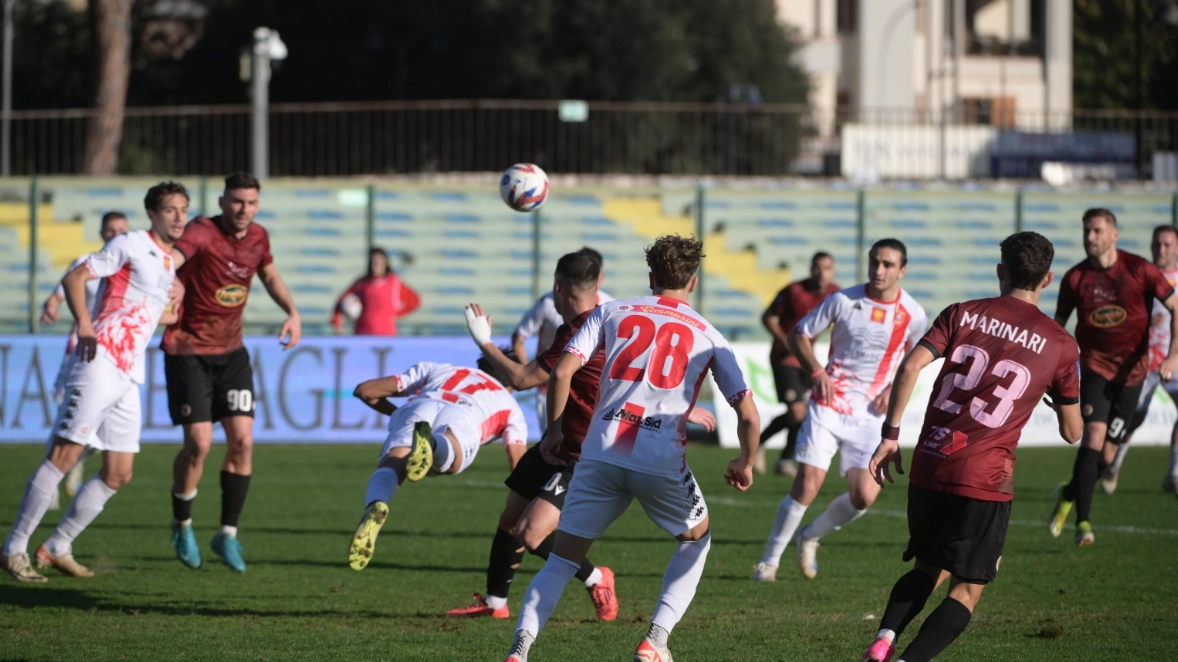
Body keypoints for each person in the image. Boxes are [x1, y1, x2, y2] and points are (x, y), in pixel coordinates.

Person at [501, 235, 761, 662]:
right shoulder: (710, 336)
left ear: (651, 276)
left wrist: (552, 432)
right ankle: (655, 641)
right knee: (696, 540)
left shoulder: (611, 310)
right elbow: (749, 416)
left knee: (562, 560)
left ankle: (519, 650)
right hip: (658, 457)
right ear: (693, 282)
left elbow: (563, 371)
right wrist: (745, 462)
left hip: (599, 451)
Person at [860, 231, 1083, 662]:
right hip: (983, 476)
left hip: (930, 462)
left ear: (1001, 271)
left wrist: (890, 436)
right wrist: (1058, 403)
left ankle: (884, 639)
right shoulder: (1060, 344)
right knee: (968, 585)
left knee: (927, 566)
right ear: (1048, 279)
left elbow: (911, 366)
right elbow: (1073, 433)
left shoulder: (963, 312)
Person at [2, 181, 187, 583]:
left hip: (128, 372)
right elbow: (74, 277)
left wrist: (186, 305)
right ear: (153, 213)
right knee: (66, 455)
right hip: (99, 359)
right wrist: (84, 324)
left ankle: (57, 546)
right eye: (170, 209)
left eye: (183, 210)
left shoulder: (168, 263)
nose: (178, 217)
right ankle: (14, 547)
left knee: (119, 472)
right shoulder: (129, 243)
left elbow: (152, 315)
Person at [449, 250, 619, 621]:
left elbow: (523, 379)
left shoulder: (580, 331)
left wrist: (485, 343)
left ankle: (595, 577)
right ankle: (494, 604)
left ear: (558, 288)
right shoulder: (610, 323)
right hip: (552, 445)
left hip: (580, 454)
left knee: (530, 533)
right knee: (510, 517)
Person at [754, 239, 926, 582]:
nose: (879, 270)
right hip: (829, 404)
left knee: (863, 496)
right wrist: (818, 372)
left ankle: (810, 536)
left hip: (871, 415)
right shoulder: (843, 299)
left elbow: (915, 362)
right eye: (874, 262)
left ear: (902, 271)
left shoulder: (914, 314)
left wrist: (892, 388)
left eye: (888, 264)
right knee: (806, 486)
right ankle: (768, 563)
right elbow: (798, 335)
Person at [164, 172, 302, 573]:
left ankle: (227, 534)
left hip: (232, 353)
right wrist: (167, 277)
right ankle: (182, 523)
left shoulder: (259, 237)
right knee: (200, 445)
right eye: (237, 202)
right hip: (187, 349)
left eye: (251, 203)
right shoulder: (202, 231)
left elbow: (270, 274)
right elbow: (174, 258)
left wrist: (291, 312)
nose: (244, 210)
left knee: (242, 441)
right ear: (223, 201)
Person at [1048, 209, 1178, 546]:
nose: (1089, 237)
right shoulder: (1075, 278)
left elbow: (1177, 307)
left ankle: (1067, 493)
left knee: (1106, 458)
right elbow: (1057, 328)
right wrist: (1047, 372)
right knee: (1092, 438)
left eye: (1096, 230)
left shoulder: (1140, 270)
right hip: (1093, 368)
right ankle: (1083, 524)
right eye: (1086, 231)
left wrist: (1175, 354)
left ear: (1114, 235)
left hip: (1133, 374)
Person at [347, 359, 529, 570]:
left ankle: (375, 504)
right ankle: (433, 444)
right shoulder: (509, 404)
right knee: (452, 459)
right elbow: (519, 466)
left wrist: (398, 415)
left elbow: (365, 390)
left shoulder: (439, 369)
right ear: (512, 384)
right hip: (465, 416)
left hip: (420, 407)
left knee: (393, 463)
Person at [39, 211, 132, 508]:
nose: (116, 234)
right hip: (81, 351)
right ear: (102, 233)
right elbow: (57, 295)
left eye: (121, 229)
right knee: (66, 420)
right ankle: (50, 482)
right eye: (110, 229)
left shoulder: (135, 266)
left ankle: (75, 461)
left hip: (115, 357)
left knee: (101, 426)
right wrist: (50, 308)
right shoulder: (84, 263)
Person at [1099, 225, 1178, 496]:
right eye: (1157, 244)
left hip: (1173, 358)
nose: (1162, 249)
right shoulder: (1142, 276)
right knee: (1134, 418)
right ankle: (1114, 463)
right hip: (1142, 360)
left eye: (1168, 245)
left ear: (1177, 248)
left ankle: (1174, 473)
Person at [512, 247, 613, 435]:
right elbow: (519, 337)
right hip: (547, 385)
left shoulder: (607, 309)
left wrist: (484, 341)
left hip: (587, 393)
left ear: (600, 279)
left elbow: (521, 379)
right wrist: (530, 369)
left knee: (560, 449)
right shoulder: (547, 304)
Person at [757, 251, 839, 477]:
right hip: (783, 358)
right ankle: (758, 444)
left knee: (803, 412)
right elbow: (767, 317)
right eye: (818, 267)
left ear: (833, 271)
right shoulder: (794, 291)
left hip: (807, 360)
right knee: (796, 410)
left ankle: (784, 460)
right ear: (811, 269)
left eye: (827, 268)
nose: (822, 273)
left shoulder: (836, 294)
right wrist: (786, 341)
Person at [330, 247, 420, 336]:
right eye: (374, 262)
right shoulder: (361, 283)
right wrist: (337, 323)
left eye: (380, 262)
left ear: (386, 263)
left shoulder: (394, 283)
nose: (377, 265)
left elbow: (414, 300)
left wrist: (397, 313)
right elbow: (341, 301)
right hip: (362, 334)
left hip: (387, 335)